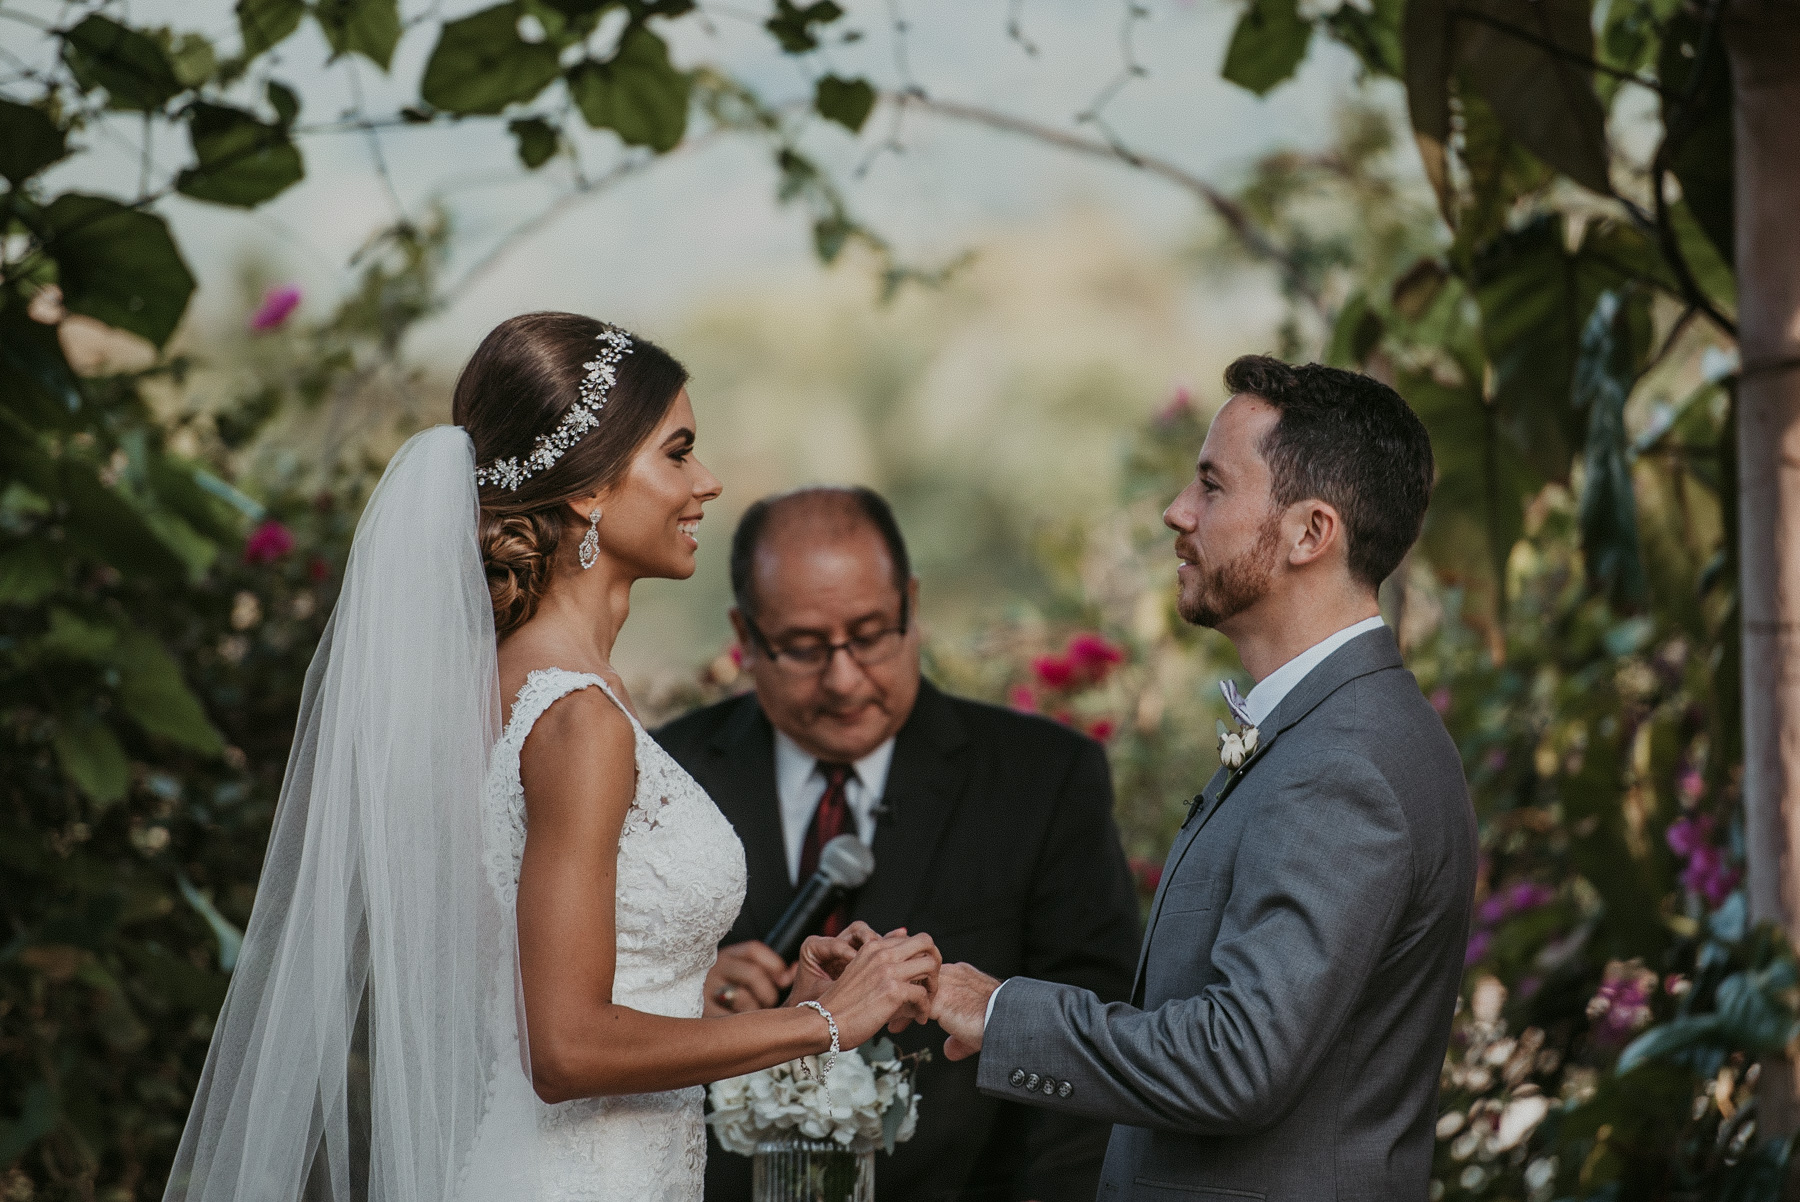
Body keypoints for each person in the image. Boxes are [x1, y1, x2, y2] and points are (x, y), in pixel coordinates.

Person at [163, 313, 939, 1202]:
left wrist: (785, 1000)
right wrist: (821, 1023)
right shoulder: (577, 719)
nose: (708, 482)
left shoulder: (502, 687)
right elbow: (565, 1049)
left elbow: (556, 996)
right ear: (592, 491)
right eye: (678, 453)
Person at [929, 357, 1478, 1202]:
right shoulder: (1331, 728)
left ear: (1309, 533)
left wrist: (1003, 1014)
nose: (1176, 512)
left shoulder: (1344, 761)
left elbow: (1239, 1060)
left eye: (1213, 487)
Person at [654, 487, 1141, 1202]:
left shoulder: (1042, 780)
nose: (845, 678)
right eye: (802, 647)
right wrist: (679, 999)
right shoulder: (666, 773)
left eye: (872, 634)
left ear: (912, 605)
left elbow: (1082, 1055)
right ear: (746, 636)